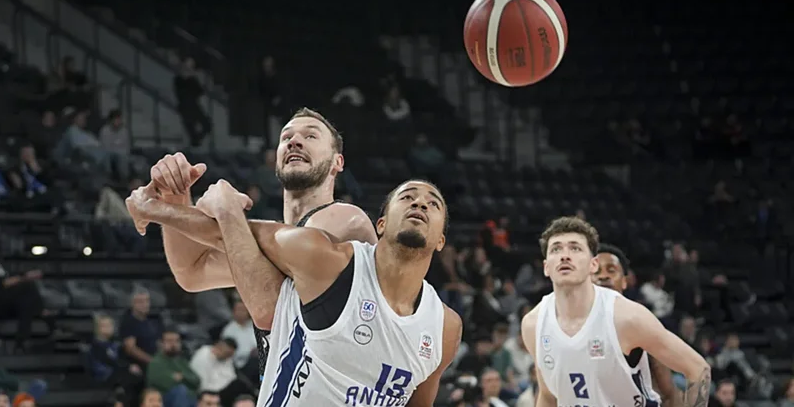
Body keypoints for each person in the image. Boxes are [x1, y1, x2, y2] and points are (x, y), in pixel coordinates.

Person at [140, 178, 462, 405]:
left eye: (432, 203)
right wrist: (153, 209)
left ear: (441, 242)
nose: (420, 202)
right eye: (407, 197)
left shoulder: (444, 327)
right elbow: (230, 234)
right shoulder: (327, 262)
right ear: (380, 224)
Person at [127, 107, 378, 379]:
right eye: (286, 137)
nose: (294, 141)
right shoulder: (258, 242)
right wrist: (174, 196)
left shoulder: (347, 219)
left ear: (336, 162)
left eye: (311, 136)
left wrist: (162, 211)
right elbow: (192, 272)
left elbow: (268, 307)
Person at [521, 217, 711, 407]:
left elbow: (698, 369)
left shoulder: (626, 317)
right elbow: (548, 396)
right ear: (546, 267)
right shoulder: (533, 324)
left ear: (592, 264)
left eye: (575, 248)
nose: (565, 255)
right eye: (556, 249)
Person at [594, 243, 683, 407]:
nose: (604, 276)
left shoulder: (640, 323)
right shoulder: (567, 328)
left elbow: (670, 393)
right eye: (596, 271)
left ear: (625, 281)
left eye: (611, 270)